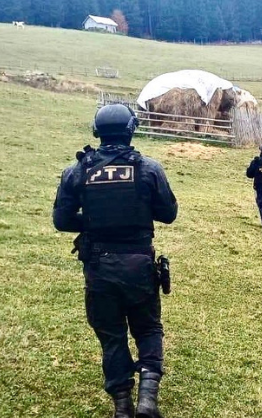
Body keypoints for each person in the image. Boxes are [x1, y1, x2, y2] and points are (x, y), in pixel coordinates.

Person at [53, 104, 178, 418]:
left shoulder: (77, 170)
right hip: (139, 264)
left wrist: (94, 221)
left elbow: (61, 220)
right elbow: (168, 213)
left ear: (97, 132)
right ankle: (147, 399)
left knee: (112, 336)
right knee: (148, 329)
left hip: (99, 267)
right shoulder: (148, 168)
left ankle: (122, 407)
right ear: (130, 130)